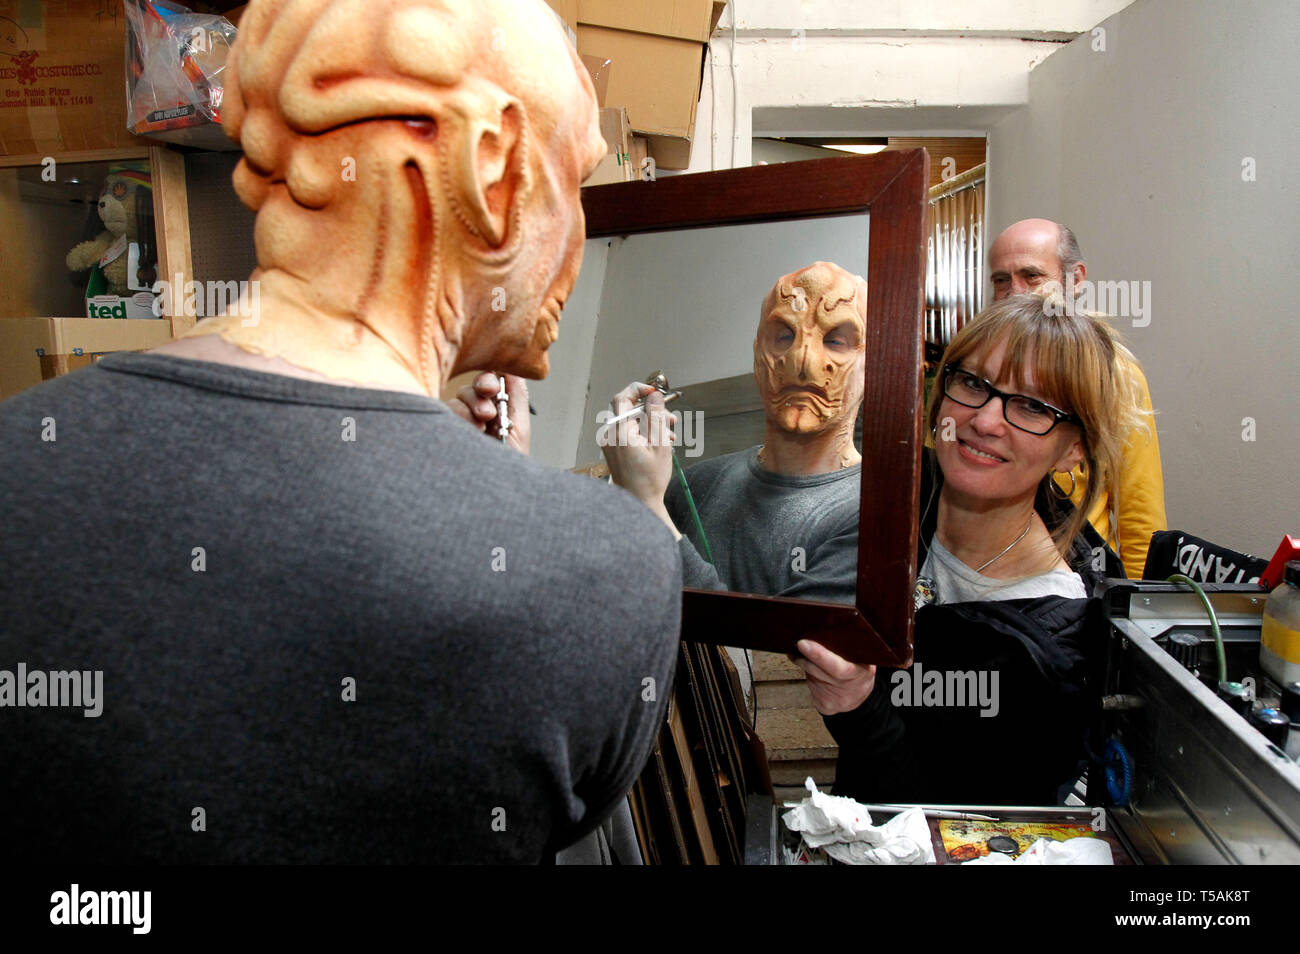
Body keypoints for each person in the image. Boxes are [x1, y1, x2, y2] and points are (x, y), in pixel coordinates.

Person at [0, 0, 681, 864]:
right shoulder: (607, 565)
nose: (579, 232)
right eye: (576, 184)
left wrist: (499, 489)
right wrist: (518, 509)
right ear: (491, 173)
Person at [797, 292, 1139, 805]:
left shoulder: (1046, 656)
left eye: (1031, 406)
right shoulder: (904, 496)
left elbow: (953, 830)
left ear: (1073, 449)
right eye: (974, 383)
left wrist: (858, 707)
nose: (985, 420)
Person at [601, 261, 867, 604]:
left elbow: (772, 653)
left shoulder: (871, 517)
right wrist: (624, 494)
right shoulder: (696, 485)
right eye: (784, 335)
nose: (802, 361)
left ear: (872, 364)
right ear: (757, 354)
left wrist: (646, 505)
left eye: (836, 340)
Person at [987, 217, 1166, 576]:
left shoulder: (1114, 375)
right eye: (1001, 280)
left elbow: (1139, 512)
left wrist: (1134, 609)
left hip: (1078, 579)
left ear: (1075, 280)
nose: (1015, 292)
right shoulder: (973, 368)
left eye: (1032, 276)